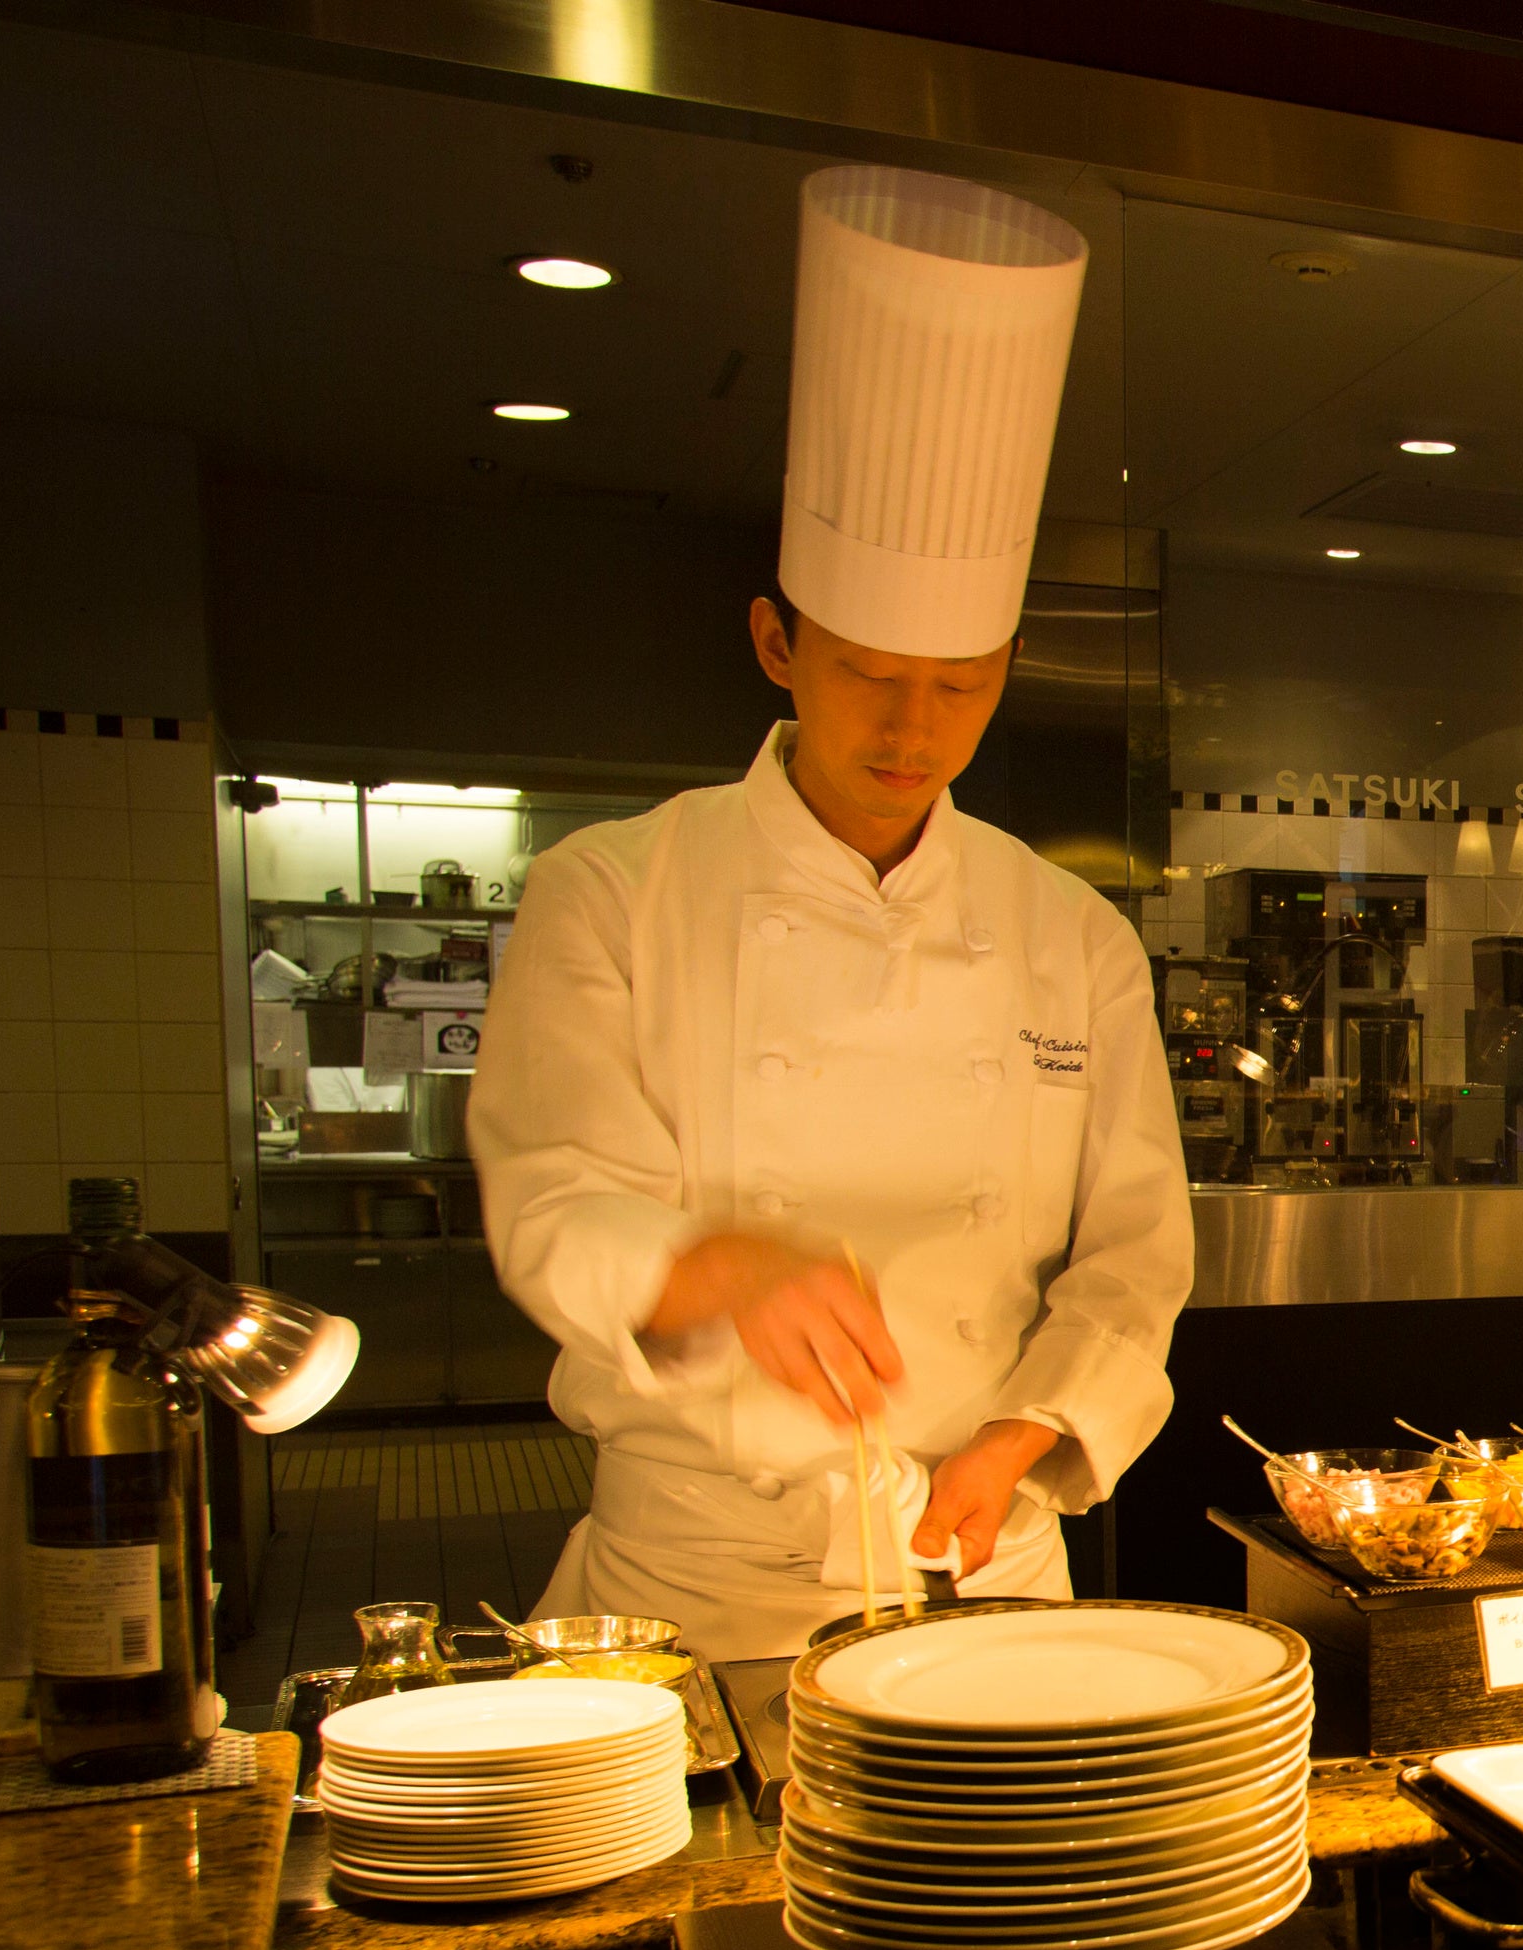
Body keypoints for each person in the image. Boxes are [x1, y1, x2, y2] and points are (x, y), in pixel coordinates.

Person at [474, 166, 1191, 1656]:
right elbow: (552, 1197)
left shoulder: (1074, 935)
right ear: (776, 643)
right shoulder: (611, 890)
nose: (914, 728)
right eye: (870, 673)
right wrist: (707, 1262)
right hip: (697, 1584)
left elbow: (1134, 1260)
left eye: (962, 685)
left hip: (988, 1553)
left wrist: (1029, 1431)